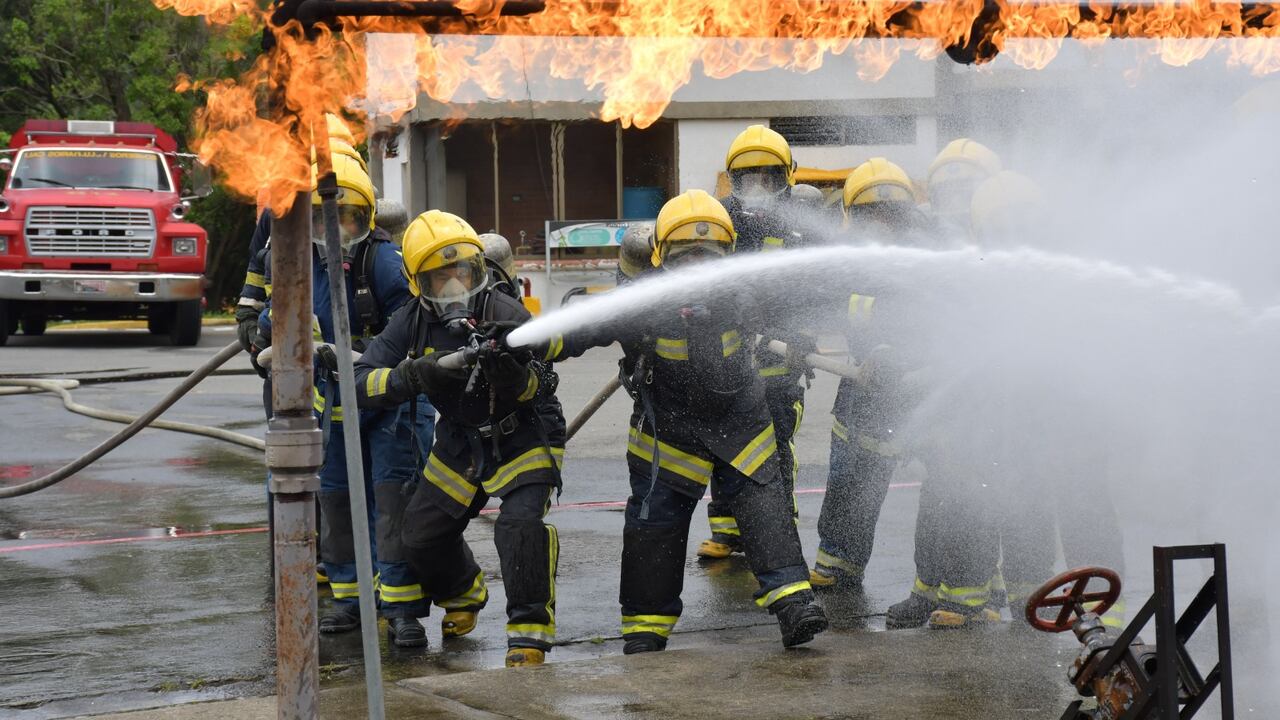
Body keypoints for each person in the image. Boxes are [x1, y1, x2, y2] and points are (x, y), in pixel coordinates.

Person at [539, 189, 828, 652]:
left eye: (707, 256)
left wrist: (795, 340)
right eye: (684, 256)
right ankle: (645, 629)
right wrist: (528, 344)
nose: (696, 267)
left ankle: (794, 604)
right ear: (660, 259)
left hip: (740, 425)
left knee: (764, 506)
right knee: (654, 528)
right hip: (668, 433)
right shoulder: (642, 301)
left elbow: (790, 312)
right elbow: (583, 328)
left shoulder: (747, 292)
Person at [351, 210, 567, 667]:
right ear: (417, 285)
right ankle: (464, 590)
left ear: (479, 268)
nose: (455, 285)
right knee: (420, 536)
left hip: (524, 434)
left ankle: (529, 636)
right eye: (439, 277)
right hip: (459, 440)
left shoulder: (503, 310)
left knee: (520, 527)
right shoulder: (410, 322)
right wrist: (415, 373)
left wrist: (514, 368)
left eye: (463, 271)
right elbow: (360, 381)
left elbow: (546, 369)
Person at [256, 150, 435, 646]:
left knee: (391, 501)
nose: (333, 229)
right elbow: (276, 319)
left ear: (367, 217)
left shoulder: (384, 263)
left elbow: (416, 320)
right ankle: (350, 599)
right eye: (320, 218)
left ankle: (402, 609)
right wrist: (273, 344)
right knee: (335, 504)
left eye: (346, 217)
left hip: (388, 406)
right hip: (330, 407)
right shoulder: (298, 263)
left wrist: (360, 353)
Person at [810, 158, 932, 592]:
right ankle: (838, 561)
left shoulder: (930, 260)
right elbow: (812, 300)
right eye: (870, 215)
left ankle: (950, 582)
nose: (881, 223)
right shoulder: (846, 261)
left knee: (948, 490)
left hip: (923, 388)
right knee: (850, 474)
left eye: (890, 214)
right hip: (862, 387)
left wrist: (903, 356)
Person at [698, 124, 815, 561]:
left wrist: (801, 336)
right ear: (735, 179)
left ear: (786, 178)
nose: (758, 188)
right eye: (749, 179)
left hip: (780, 358)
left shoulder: (802, 226)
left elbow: (820, 290)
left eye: (768, 178)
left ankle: (779, 530)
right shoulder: (719, 220)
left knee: (775, 442)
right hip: (729, 357)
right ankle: (728, 530)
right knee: (724, 440)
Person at [925, 138, 1002, 240]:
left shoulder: (1006, 229)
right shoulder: (928, 230)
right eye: (946, 196)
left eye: (967, 194)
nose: (956, 203)